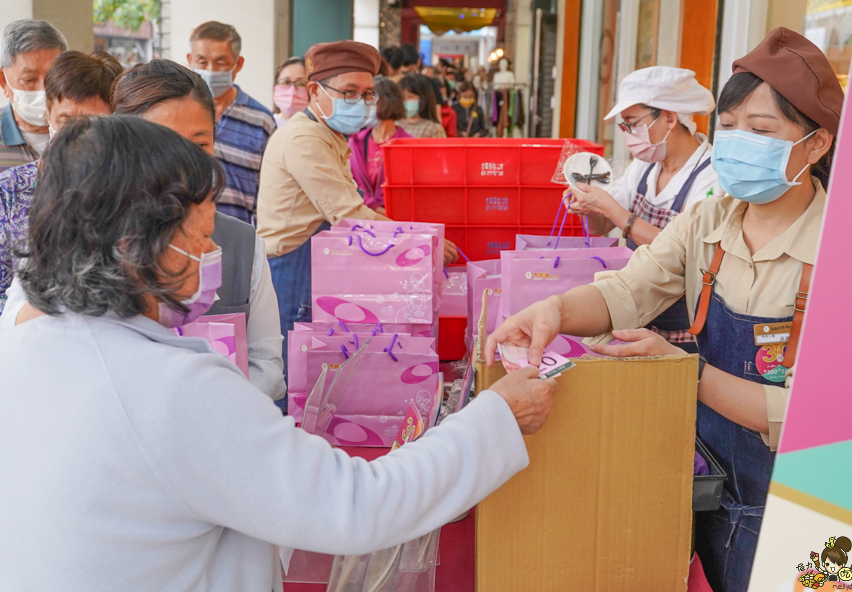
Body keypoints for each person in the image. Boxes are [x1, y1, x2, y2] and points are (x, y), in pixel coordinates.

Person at [0, 115, 557, 591]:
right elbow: (359, 505)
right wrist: (497, 416)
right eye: (194, 240)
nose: (213, 253)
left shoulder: (25, 346)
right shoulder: (171, 387)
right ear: (130, 250)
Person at [486, 27, 842, 592]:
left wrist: (686, 372)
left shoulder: (845, 251)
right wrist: (554, 310)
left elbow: (809, 414)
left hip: (799, 499)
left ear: (817, 144)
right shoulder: (711, 218)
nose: (736, 142)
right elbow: (632, 289)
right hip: (705, 473)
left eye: (760, 130)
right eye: (727, 128)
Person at [257, 41, 458, 366]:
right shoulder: (305, 139)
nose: (361, 103)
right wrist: (423, 237)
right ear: (314, 90)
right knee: (292, 379)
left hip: (310, 265)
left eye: (367, 95)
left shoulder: (328, 135)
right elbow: (347, 215)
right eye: (349, 93)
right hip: (294, 272)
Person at [107, 58, 286, 403]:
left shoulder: (242, 245)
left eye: (200, 144)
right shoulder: (80, 242)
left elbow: (266, 365)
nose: (185, 161)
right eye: (164, 142)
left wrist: (214, 415)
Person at [570, 67, 720, 352]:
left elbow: (685, 252)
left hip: (683, 328)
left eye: (632, 123)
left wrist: (614, 211)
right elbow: (600, 228)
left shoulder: (710, 176)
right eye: (624, 126)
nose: (628, 134)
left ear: (669, 117)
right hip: (638, 314)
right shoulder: (644, 166)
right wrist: (587, 205)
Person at [0, 50, 121, 316]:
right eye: (66, 121)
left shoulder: (127, 192)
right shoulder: (9, 190)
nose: (77, 134)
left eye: (93, 123)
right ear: (48, 114)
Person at [187, 21, 276, 224]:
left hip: (240, 236)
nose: (211, 70)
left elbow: (268, 193)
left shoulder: (261, 121)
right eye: (202, 62)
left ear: (238, 63)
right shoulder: (179, 113)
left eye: (221, 63)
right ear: (189, 60)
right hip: (185, 234)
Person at [0, 19, 68, 169]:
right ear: (3, 81)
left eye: (52, 77)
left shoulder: (84, 131)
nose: (44, 90)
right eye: (29, 79)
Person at [348, 75, 411, 214]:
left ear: (387, 102)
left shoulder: (408, 145)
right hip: (362, 218)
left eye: (369, 99)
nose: (362, 106)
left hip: (399, 220)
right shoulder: (354, 142)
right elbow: (350, 183)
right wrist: (374, 208)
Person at [397, 73, 446, 138]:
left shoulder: (433, 129)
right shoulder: (395, 124)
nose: (405, 101)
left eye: (410, 97)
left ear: (424, 98)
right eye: (402, 97)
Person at [272, 56, 308, 128]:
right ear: (275, 87)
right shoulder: (266, 125)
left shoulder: (317, 128)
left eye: (300, 83)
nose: (292, 90)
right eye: (286, 82)